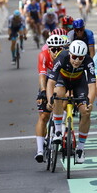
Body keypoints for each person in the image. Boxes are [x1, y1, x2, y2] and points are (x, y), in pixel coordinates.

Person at [47, 41, 97, 164]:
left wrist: (89, 102)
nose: (77, 60)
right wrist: (49, 99)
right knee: (58, 94)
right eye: (74, 57)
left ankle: (80, 148)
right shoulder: (62, 57)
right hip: (62, 80)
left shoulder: (89, 61)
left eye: (80, 58)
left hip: (79, 83)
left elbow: (92, 86)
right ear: (70, 54)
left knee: (85, 112)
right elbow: (51, 82)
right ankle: (58, 130)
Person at [34, 33, 69, 163]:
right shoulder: (43, 56)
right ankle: (40, 150)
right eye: (53, 49)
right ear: (48, 49)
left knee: (64, 100)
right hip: (48, 80)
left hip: (62, 81)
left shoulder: (65, 57)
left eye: (58, 49)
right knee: (43, 116)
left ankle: (61, 125)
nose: (55, 52)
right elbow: (42, 76)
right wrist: (43, 92)